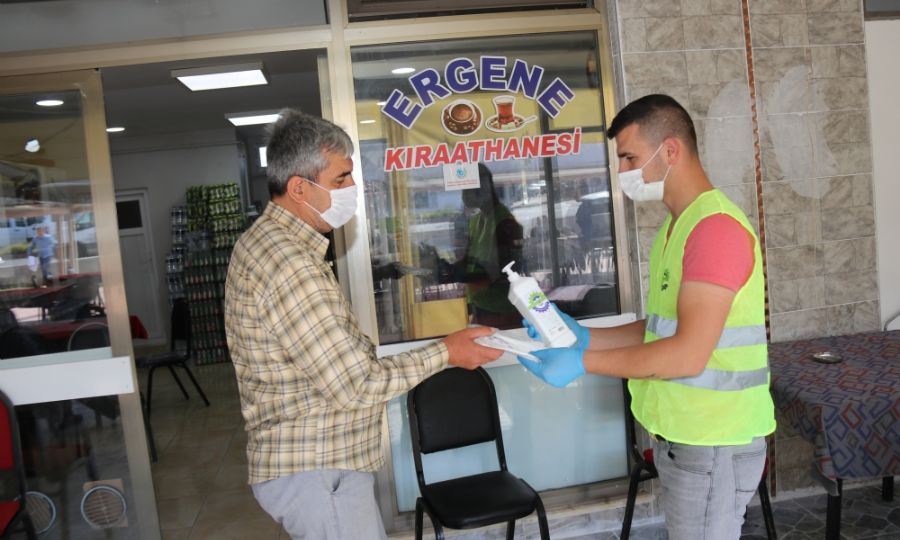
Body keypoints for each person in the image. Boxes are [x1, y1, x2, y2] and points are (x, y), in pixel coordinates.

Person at [223, 109, 502, 540]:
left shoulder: (265, 242)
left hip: (313, 467)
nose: (353, 189)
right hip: (317, 471)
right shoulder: (290, 264)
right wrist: (447, 351)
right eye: (340, 180)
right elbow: (356, 384)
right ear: (299, 188)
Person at [518, 94, 776, 539]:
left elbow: (687, 355)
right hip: (687, 439)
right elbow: (659, 328)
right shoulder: (677, 226)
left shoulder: (714, 230)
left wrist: (583, 364)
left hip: (715, 440)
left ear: (670, 151)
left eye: (629, 157)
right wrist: (583, 337)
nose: (622, 173)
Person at [441, 163, 523, 328]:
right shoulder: (476, 221)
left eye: (467, 190)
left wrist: (461, 276)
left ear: (484, 188)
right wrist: (447, 270)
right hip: (480, 306)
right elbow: (469, 261)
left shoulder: (505, 223)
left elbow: (504, 273)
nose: (464, 196)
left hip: (502, 312)